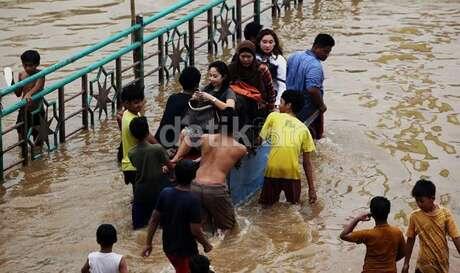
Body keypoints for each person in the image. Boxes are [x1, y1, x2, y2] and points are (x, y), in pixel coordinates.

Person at [173, 108, 247, 233]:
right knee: (231, 229)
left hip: (196, 185)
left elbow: (187, 136)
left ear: (218, 123)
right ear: (236, 126)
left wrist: (176, 158)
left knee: (205, 229)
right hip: (215, 189)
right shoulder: (240, 148)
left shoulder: (206, 138)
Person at [142, 160, 213, 273]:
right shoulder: (193, 200)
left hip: (168, 247)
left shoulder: (165, 193)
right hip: (185, 250)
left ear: (175, 174)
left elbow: (154, 219)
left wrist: (148, 243)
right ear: (194, 177)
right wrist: (206, 244)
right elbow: (195, 230)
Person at [258, 90, 317, 205]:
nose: (278, 105)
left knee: (266, 207)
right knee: (294, 206)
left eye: (281, 102)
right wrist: (312, 189)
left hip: (272, 169)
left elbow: (260, 139)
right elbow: (307, 163)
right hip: (292, 172)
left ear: (288, 105)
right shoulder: (304, 129)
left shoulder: (274, 116)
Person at [172, 61, 236, 163]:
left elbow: (229, 108)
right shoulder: (206, 88)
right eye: (209, 75)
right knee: (184, 131)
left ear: (223, 77)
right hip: (203, 125)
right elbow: (195, 105)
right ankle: (178, 156)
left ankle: (175, 160)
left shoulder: (229, 92)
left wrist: (211, 98)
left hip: (217, 129)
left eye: (215, 76)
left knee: (190, 135)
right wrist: (194, 98)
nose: (211, 79)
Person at [402, 179, 460, 273]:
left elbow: (455, 237)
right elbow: (410, 240)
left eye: (421, 201)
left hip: (442, 264)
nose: (419, 204)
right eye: (417, 201)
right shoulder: (415, 216)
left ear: (432, 198)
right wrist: (406, 263)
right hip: (423, 265)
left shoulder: (445, 214)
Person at [286, 33, 335, 139]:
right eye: (325, 51)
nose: (327, 55)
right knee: (309, 137)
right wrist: (321, 105)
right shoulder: (315, 66)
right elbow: (312, 89)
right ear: (316, 47)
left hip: (288, 105)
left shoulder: (294, 56)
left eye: (329, 52)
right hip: (306, 109)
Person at [340, 196, 406, 273]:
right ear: (388, 212)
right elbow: (404, 252)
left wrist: (357, 219)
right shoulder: (397, 232)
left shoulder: (368, 234)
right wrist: (390, 261)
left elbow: (344, 235)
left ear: (372, 214)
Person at [228, 40, 276, 147]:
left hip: (258, 107)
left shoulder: (262, 69)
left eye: (249, 56)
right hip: (240, 108)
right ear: (238, 55)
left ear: (254, 56)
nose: (246, 60)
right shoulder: (231, 69)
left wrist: (271, 107)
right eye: (243, 56)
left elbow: (270, 89)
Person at [128, 116, 171, 229]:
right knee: (162, 225)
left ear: (132, 135)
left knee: (139, 226)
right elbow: (170, 166)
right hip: (158, 189)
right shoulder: (157, 148)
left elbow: (138, 166)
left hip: (140, 191)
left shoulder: (131, 153)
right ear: (148, 131)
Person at [120, 82, 156, 193]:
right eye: (136, 102)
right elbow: (148, 138)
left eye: (141, 101)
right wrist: (160, 148)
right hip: (136, 166)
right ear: (126, 103)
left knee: (137, 195)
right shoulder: (133, 121)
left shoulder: (127, 113)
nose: (140, 104)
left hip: (128, 164)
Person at [154, 66, 201, 148]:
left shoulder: (172, 98)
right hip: (173, 145)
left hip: (159, 140)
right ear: (196, 85)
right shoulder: (193, 103)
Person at [15, 50, 45, 152]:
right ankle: (24, 157)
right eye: (25, 65)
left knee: (38, 140)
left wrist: (29, 93)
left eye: (31, 65)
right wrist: (12, 83)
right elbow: (18, 93)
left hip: (37, 110)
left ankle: (38, 160)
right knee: (21, 136)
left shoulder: (40, 74)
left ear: (37, 64)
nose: (28, 68)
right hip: (24, 110)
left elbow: (38, 86)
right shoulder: (21, 75)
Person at [255, 28, 287, 107]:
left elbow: (282, 84)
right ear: (259, 43)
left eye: (270, 42)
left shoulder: (279, 60)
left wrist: (277, 104)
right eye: (264, 42)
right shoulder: (254, 57)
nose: (267, 45)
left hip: (273, 95)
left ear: (275, 43)